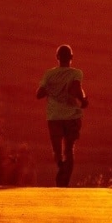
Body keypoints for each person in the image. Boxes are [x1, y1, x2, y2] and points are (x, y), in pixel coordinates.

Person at [36, 44, 88, 187]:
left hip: (54, 117)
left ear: (57, 57)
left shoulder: (49, 74)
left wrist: (51, 88)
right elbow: (77, 88)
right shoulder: (76, 73)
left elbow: (39, 94)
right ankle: (64, 181)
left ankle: (61, 169)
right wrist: (83, 100)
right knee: (69, 149)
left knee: (57, 151)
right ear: (71, 57)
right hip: (72, 117)